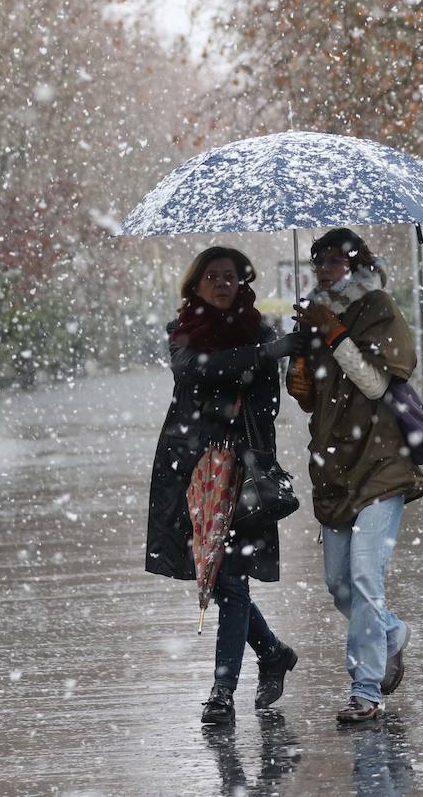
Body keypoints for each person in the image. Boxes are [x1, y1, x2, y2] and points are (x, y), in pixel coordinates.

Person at [146, 246, 306, 725]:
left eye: (230, 277)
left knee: (231, 580)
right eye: (212, 276)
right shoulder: (184, 331)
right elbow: (194, 370)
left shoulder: (259, 329)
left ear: (243, 282)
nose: (221, 283)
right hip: (192, 471)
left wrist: (272, 357)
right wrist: (262, 356)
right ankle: (273, 653)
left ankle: (222, 692)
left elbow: (265, 407)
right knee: (216, 578)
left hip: (242, 473)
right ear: (195, 285)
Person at [288, 228, 423, 723]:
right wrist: (301, 374)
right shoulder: (315, 315)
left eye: (335, 259)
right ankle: (391, 633)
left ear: (356, 261)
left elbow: (373, 383)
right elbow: (316, 399)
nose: (326, 268)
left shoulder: (378, 308)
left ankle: (366, 691)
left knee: (366, 577)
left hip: (382, 462)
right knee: (338, 584)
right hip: (334, 467)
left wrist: (333, 332)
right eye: (318, 259)